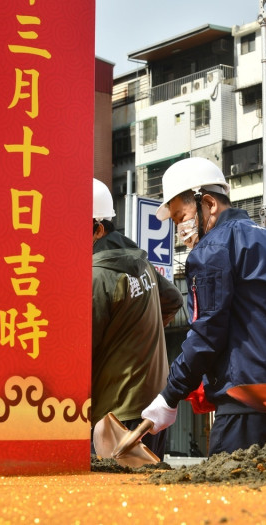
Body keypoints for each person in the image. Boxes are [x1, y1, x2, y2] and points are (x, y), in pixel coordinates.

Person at [141, 157, 266, 457]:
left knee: (227, 499)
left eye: (180, 217)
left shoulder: (212, 249)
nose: (179, 230)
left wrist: (170, 395)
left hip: (245, 405)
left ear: (209, 204)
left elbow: (206, 334)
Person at [91, 178, 183, 459]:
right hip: (153, 406)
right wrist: (137, 334)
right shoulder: (140, 262)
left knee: (111, 499)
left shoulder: (96, 275)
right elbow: (174, 300)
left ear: (98, 229)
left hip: (116, 414)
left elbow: (82, 351)